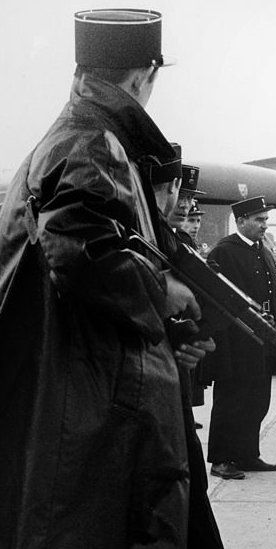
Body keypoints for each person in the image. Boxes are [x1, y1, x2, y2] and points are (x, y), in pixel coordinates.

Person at [0, 9, 221, 546]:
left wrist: (165, 338)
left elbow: (77, 295)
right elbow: (79, 249)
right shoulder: (92, 142)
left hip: (89, 402)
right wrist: (164, 291)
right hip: (98, 422)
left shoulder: (78, 137)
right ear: (145, 74)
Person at [205, 196, 276, 480]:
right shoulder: (224, 252)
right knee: (231, 400)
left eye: (266, 219)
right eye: (259, 220)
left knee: (258, 399)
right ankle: (222, 459)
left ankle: (247, 454)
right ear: (241, 221)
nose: (264, 225)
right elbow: (218, 299)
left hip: (264, 338)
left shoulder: (263, 250)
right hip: (237, 340)